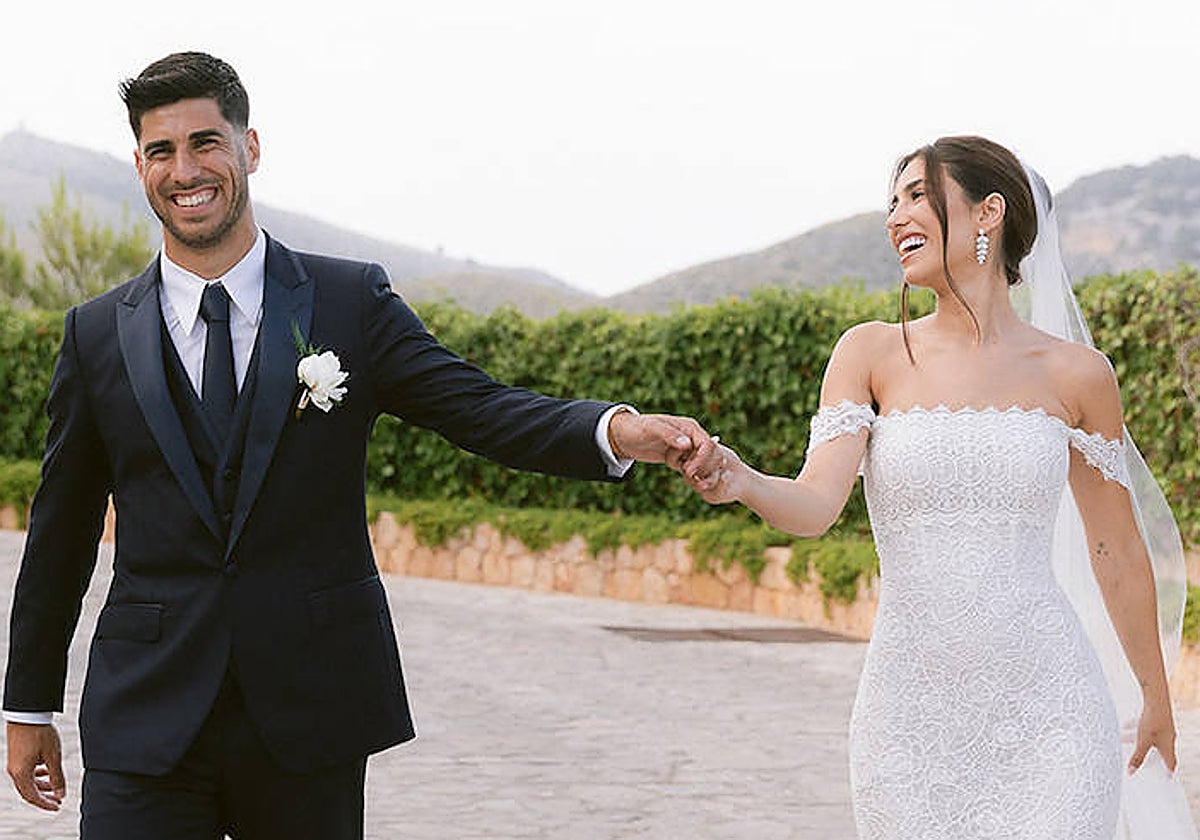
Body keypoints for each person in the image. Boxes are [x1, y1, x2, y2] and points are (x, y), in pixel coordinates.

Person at [2, 51, 720, 839]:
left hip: (310, 708)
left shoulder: (350, 301)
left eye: (206, 142)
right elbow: (61, 529)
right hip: (146, 712)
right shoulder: (97, 333)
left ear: (249, 148)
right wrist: (28, 705)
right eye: (161, 151)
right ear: (140, 166)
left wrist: (613, 430)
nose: (186, 170)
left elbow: (477, 408)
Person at [691, 136, 1197, 839]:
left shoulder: (1079, 374)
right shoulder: (869, 352)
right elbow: (814, 506)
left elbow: (1115, 548)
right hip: (909, 716)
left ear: (989, 212)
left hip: (1053, 710)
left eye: (916, 196)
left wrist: (1155, 698)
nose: (895, 217)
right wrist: (740, 479)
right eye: (891, 203)